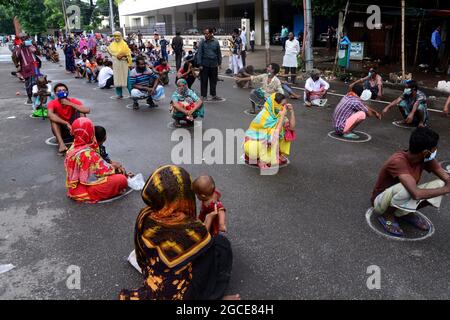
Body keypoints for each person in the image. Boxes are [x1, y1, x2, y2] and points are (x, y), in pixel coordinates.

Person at [119, 165, 239, 300]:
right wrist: (208, 219)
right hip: (180, 293)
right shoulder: (190, 228)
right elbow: (206, 243)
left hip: (155, 278)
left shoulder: (146, 214)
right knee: (221, 245)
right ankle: (215, 296)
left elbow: (141, 254)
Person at [372, 127, 450, 237]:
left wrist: (447, 184)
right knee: (407, 188)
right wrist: (447, 189)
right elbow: (416, 194)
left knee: (440, 184)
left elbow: (446, 178)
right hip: (381, 203)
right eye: (434, 148)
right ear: (426, 152)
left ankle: (404, 213)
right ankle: (387, 215)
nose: (436, 150)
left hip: (401, 196)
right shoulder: (398, 161)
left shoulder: (426, 159)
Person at [64, 118, 128, 203]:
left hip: (73, 187)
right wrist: (116, 168)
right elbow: (102, 172)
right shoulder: (86, 153)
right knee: (121, 180)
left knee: (117, 174)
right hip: (85, 188)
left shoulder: (72, 148)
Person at [244, 93, 296, 170]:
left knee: (287, 131)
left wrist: (292, 112)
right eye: (283, 105)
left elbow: (292, 128)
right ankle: (261, 160)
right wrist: (282, 117)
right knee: (274, 133)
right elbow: (273, 137)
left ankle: (276, 154)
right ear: (274, 104)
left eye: (285, 104)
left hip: (266, 144)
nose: (284, 107)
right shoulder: (264, 115)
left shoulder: (277, 113)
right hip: (253, 146)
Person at [47, 83, 90, 154]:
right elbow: (50, 115)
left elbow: (87, 110)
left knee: (81, 111)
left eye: (64, 90)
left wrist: (69, 103)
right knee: (53, 118)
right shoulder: (52, 103)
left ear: (67, 92)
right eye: (59, 90)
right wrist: (66, 123)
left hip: (74, 128)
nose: (62, 92)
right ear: (55, 93)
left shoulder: (72, 100)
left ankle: (83, 139)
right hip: (62, 129)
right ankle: (61, 144)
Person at [196, 27, 222, 101]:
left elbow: (218, 53)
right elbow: (199, 54)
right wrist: (200, 64)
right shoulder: (202, 42)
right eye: (205, 34)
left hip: (214, 64)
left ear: (211, 34)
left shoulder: (216, 42)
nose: (206, 35)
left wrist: (219, 63)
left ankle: (213, 95)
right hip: (204, 64)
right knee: (204, 80)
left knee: (213, 80)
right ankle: (203, 95)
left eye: (207, 34)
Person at [14, 33, 39, 104]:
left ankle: (36, 96)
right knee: (28, 83)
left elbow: (38, 53)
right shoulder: (17, 47)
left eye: (25, 37)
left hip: (34, 66)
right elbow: (16, 57)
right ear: (20, 39)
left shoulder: (31, 45)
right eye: (22, 38)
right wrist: (20, 47)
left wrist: (35, 44)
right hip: (26, 68)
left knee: (36, 82)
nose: (24, 39)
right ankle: (29, 97)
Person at [107, 31, 132, 99]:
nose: (117, 37)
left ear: (121, 36)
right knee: (117, 79)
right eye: (115, 36)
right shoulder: (111, 45)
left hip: (124, 64)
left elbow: (129, 54)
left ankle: (131, 94)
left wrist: (129, 62)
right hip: (116, 64)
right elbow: (110, 53)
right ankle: (119, 94)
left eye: (118, 36)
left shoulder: (124, 44)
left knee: (128, 80)